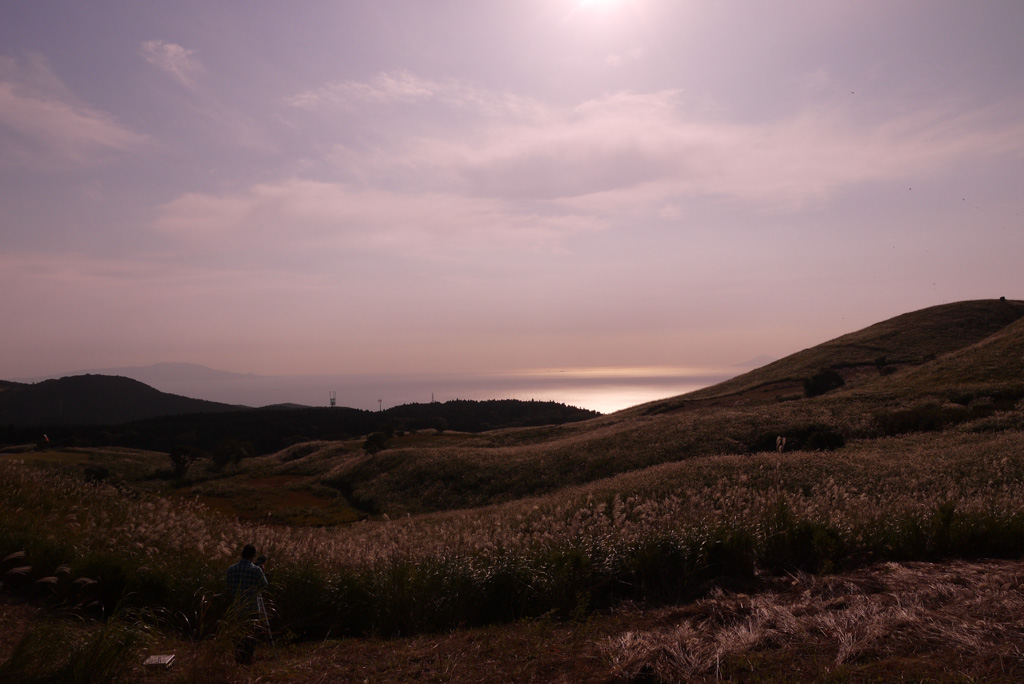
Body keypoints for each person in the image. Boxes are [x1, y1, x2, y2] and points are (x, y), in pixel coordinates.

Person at [226, 544, 268, 664]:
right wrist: (262, 571)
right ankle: (249, 658)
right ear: (253, 556)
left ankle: (239, 657)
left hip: (236, 608)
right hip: (252, 609)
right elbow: (264, 585)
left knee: (238, 635)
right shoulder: (256, 570)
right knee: (251, 635)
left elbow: (229, 585)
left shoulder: (231, 569)